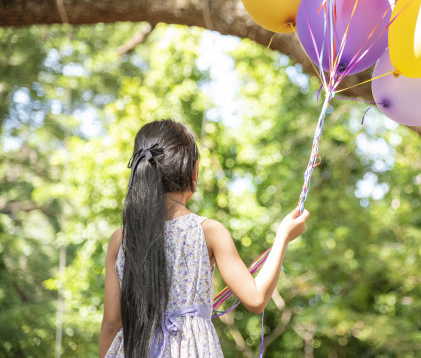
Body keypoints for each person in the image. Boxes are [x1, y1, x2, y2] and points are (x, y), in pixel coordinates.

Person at [99, 119, 310, 358]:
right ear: (194, 169)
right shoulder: (208, 231)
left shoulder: (121, 239)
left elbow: (111, 323)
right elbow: (256, 297)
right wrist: (283, 237)